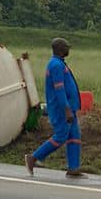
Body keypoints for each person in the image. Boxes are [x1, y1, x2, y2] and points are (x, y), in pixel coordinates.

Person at [25, 38, 84, 179]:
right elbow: (59, 89)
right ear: (59, 49)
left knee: (74, 137)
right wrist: (66, 109)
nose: (68, 49)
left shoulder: (59, 64)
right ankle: (33, 158)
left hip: (70, 107)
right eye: (66, 47)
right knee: (61, 136)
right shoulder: (56, 65)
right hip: (61, 108)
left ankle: (73, 169)